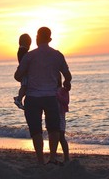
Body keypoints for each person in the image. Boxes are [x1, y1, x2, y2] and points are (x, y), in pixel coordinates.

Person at [14, 27, 72, 165]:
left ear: (37, 38)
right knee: (54, 128)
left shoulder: (29, 56)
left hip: (32, 97)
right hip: (51, 97)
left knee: (36, 130)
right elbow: (68, 76)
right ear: (50, 39)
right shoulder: (57, 55)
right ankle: (52, 158)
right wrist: (66, 83)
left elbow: (17, 76)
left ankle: (40, 160)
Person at [14, 33, 32, 110]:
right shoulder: (23, 50)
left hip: (24, 72)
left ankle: (19, 97)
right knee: (24, 86)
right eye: (29, 43)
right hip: (25, 73)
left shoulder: (21, 50)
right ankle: (19, 99)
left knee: (24, 86)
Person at [56, 75, 70, 162]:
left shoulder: (63, 90)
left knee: (61, 136)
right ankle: (53, 156)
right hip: (52, 114)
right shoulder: (49, 89)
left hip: (60, 115)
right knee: (53, 135)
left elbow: (66, 101)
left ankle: (66, 157)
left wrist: (57, 95)